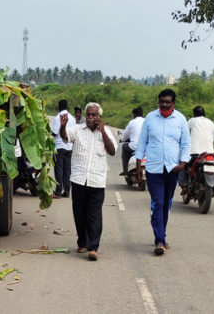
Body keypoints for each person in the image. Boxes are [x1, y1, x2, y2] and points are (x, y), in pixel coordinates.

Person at [135, 89, 190, 256]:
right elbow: (142, 142)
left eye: (168, 102)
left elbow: (186, 144)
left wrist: (182, 164)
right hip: (154, 169)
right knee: (158, 202)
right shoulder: (150, 118)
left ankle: (161, 235)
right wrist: (138, 165)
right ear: (158, 102)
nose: (164, 104)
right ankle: (159, 239)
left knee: (166, 204)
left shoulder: (180, 119)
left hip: (172, 169)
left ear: (173, 103)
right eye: (162, 101)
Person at [59, 102, 117, 261]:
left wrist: (103, 131)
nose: (90, 118)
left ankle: (93, 247)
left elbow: (112, 151)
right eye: (89, 115)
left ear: (99, 117)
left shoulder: (106, 132)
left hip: (97, 181)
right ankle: (82, 242)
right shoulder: (77, 130)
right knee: (79, 213)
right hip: (78, 179)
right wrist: (63, 127)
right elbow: (65, 137)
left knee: (94, 215)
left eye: (94, 115)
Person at [178, 106, 214, 194]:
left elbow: (184, 133)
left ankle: (184, 185)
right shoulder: (211, 123)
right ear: (204, 113)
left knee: (182, 164)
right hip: (210, 154)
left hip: (194, 153)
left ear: (194, 114)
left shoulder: (192, 121)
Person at [51, 99, 76, 198]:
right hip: (69, 147)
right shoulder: (73, 118)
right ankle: (66, 191)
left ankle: (57, 192)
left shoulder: (58, 117)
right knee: (67, 170)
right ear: (67, 107)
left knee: (59, 170)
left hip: (59, 146)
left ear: (59, 107)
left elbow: (55, 132)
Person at [120, 107, 144, 176]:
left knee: (124, 147)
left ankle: (125, 170)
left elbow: (125, 135)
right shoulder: (146, 121)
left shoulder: (132, 122)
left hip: (134, 147)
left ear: (134, 115)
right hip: (146, 147)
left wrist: (122, 140)